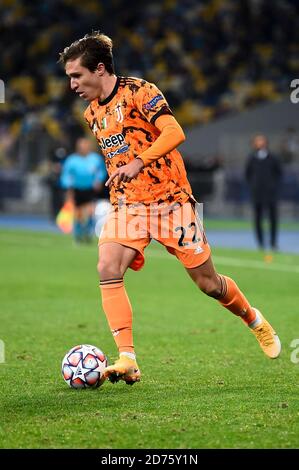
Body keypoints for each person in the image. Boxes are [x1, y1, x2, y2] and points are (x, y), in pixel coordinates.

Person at [59, 32, 281, 385]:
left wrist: (138, 163)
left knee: (208, 284)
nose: (71, 84)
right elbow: (117, 154)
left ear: (99, 70)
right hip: (129, 206)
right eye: (69, 77)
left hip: (172, 204)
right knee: (106, 265)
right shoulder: (92, 114)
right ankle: (127, 358)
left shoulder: (140, 92)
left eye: (76, 76)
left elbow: (175, 132)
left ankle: (253, 319)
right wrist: (120, 177)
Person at [60, 136, 107, 242]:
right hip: (77, 189)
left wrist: (98, 180)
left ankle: (88, 232)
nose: (84, 147)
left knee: (90, 211)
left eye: (86, 145)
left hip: (90, 189)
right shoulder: (72, 160)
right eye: (81, 145)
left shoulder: (95, 158)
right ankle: (78, 233)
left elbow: (101, 171)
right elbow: (66, 175)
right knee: (78, 213)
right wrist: (68, 188)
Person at [245, 135, 282, 252]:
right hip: (257, 194)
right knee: (258, 219)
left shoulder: (273, 157)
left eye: (262, 140)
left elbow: (279, 173)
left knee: (273, 219)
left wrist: (273, 186)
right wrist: (254, 186)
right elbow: (247, 174)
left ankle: (273, 243)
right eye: (257, 141)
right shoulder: (251, 158)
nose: (260, 143)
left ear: (266, 142)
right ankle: (261, 244)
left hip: (271, 194)